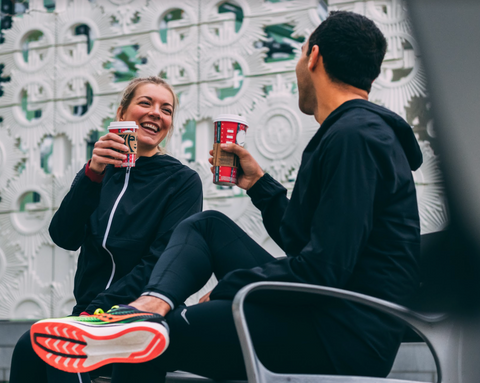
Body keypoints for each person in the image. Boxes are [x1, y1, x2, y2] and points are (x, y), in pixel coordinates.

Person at [32, 10, 423, 381]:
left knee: (151, 338)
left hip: (342, 334)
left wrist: (226, 289)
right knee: (208, 226)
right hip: (326, 312)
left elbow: (324, 268)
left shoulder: (354, 137)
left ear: (314, 57)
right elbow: (306, 244)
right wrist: (259, 185)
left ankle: (143, 315)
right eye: (145, 103)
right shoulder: (348, 134)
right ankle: (147, 307)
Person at [9, 76, 203, 383]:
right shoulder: (99, 172)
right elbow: (64, 236)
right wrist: (92, 174)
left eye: (166, 109)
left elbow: (161, 262)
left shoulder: (182, 181)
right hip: (89, 315)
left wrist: (98, 311)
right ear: (122, 114)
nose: (157, 113)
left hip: (142, 318)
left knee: (66, 362)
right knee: (27, 348)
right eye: (145, 103)